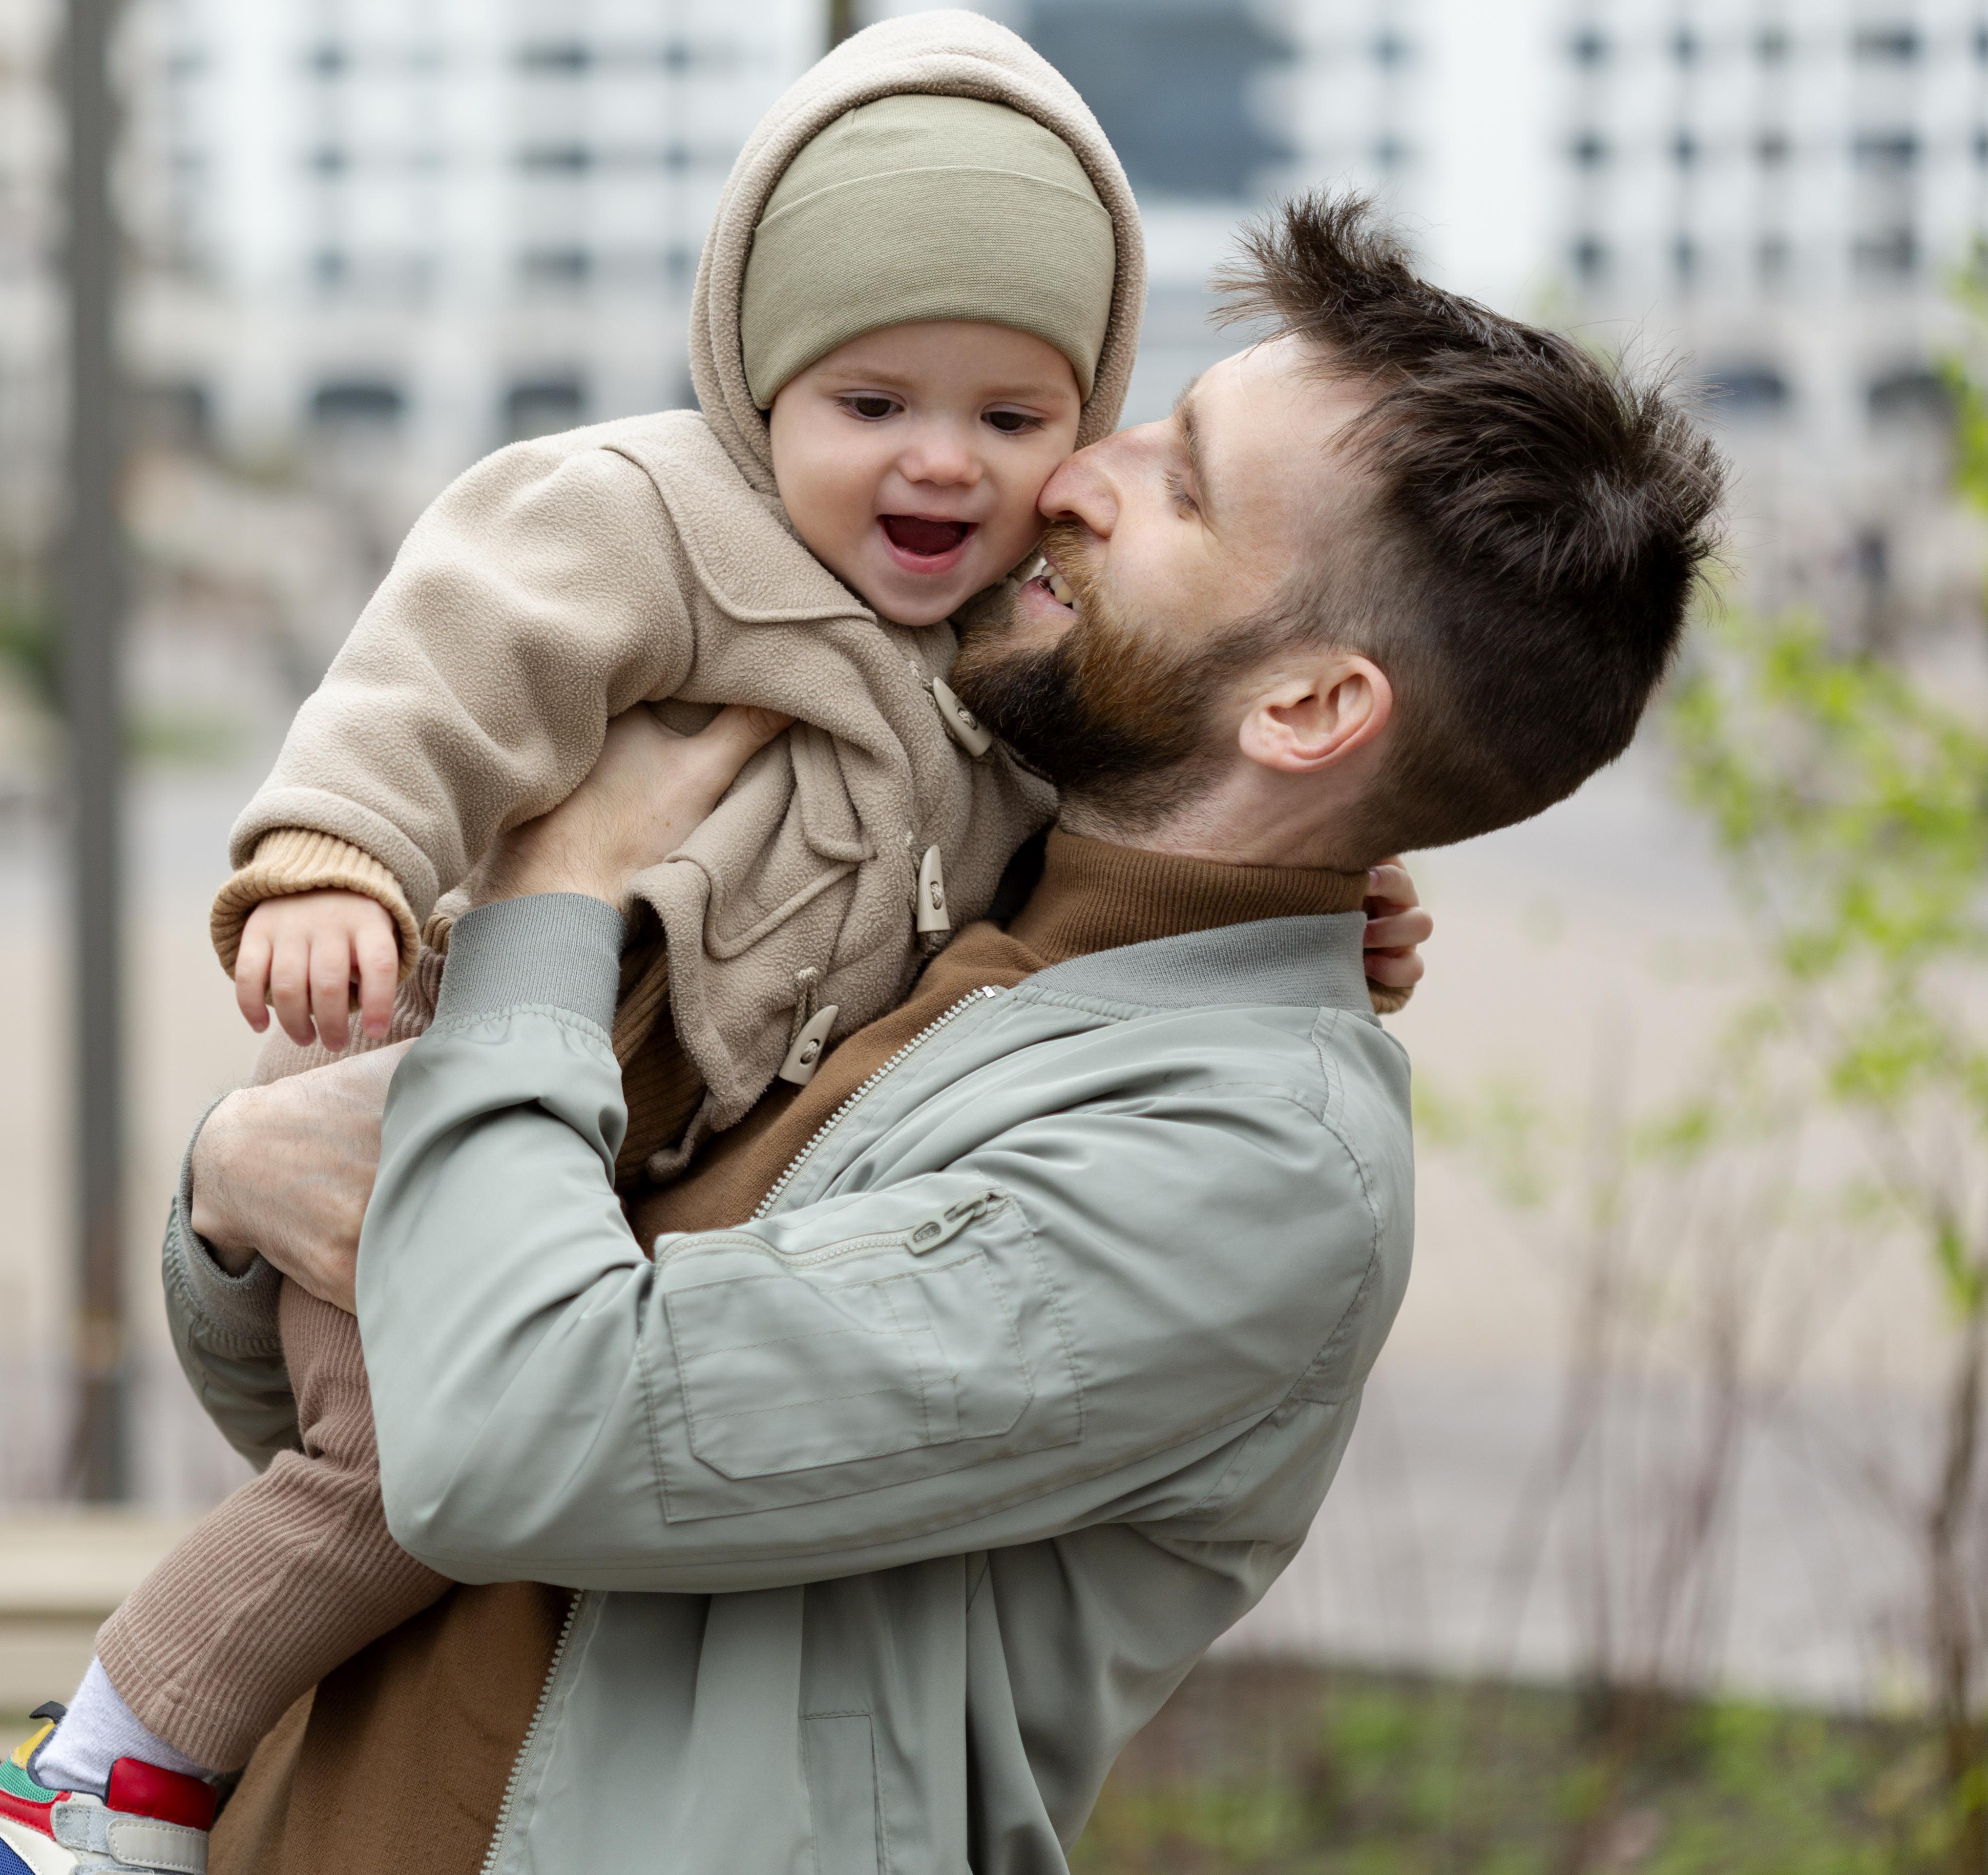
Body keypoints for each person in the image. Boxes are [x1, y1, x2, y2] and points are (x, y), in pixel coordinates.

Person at [0, 17, 1402, 1875]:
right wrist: (336, 863)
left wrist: (1337, 898)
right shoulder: (651, 517)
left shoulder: (1013, 673)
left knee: (406, 1476)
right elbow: (437, 669)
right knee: (374, 1486)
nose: (949, 466)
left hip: (589, 1152)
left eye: (1018, 418)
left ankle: (107, 1781)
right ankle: (91, 1782)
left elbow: (1090, 855)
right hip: (436, 1058)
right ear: (757, 379)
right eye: (870, 404)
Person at [142, 192, 1721, 1875]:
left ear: (1313, 707)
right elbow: (355, 1440)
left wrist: (560, 892)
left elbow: (513, 1438)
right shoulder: (934, 886)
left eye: (1177, 481)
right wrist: (234, 1198)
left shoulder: (1244, 1170)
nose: (1072, 478)